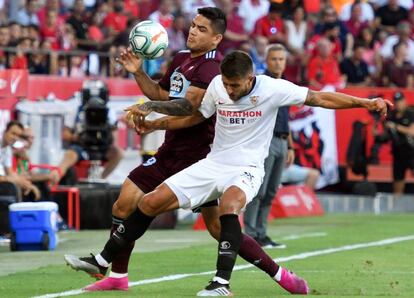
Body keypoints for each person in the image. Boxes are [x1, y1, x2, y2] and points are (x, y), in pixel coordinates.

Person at [66, 50, 390, 296]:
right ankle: (104, 259)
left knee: (229, 208)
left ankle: (221, 282)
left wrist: (365, 102)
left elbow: (320, 97)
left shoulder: (273, 88)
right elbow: (195, 116)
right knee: (148, 203)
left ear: (251, 79)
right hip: (212, 163)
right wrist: (155, 121)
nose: (231, 91)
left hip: (247, 167)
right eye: (227, 85)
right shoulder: (219, 86)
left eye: (236, 86)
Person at [65, 7, 298, 295]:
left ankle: (279, 273)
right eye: (193, 25)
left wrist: (152, 114)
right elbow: (161, 95)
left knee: (218, 228)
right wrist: (139, 73)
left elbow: (189, 107)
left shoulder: (213, 69)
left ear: (216, 39)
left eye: (201, 29)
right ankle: (117, 276)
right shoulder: (180, 59)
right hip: (170, 150)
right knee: (123, 204)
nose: (193, 31)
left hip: (198, 155)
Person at [243, 44, 294, 249]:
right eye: (274, 59)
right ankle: (251, 234)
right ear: (266, 60)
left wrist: (290, 146)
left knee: (272, 190)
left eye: (281, 59)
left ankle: (262, 233)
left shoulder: (286, 85)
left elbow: (285, 118)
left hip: (281, 141)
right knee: (259, 190)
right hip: (265, 140)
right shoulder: (259, 84)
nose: (278, 63)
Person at [374, 91, 414, 195]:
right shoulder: (391, 116)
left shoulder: (410, 113)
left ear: (404, 101)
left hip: (411, 151)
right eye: (396, 101)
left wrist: (396, 126)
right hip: (398, 153)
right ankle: (398, 207)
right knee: (397, 183)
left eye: (400, 101)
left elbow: (412, 131)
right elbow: (387, 137)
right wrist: (378, 136)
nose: (398, 104)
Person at [0, 121, 40, 201]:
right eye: (13, 134)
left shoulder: (7, 149)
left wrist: (28, 184)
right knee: (11, 187)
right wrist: (9, 179)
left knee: (32, 188)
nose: (15, 138)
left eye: (18, 135)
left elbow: (10, 173)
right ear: (5, 132)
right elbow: (10, 177)